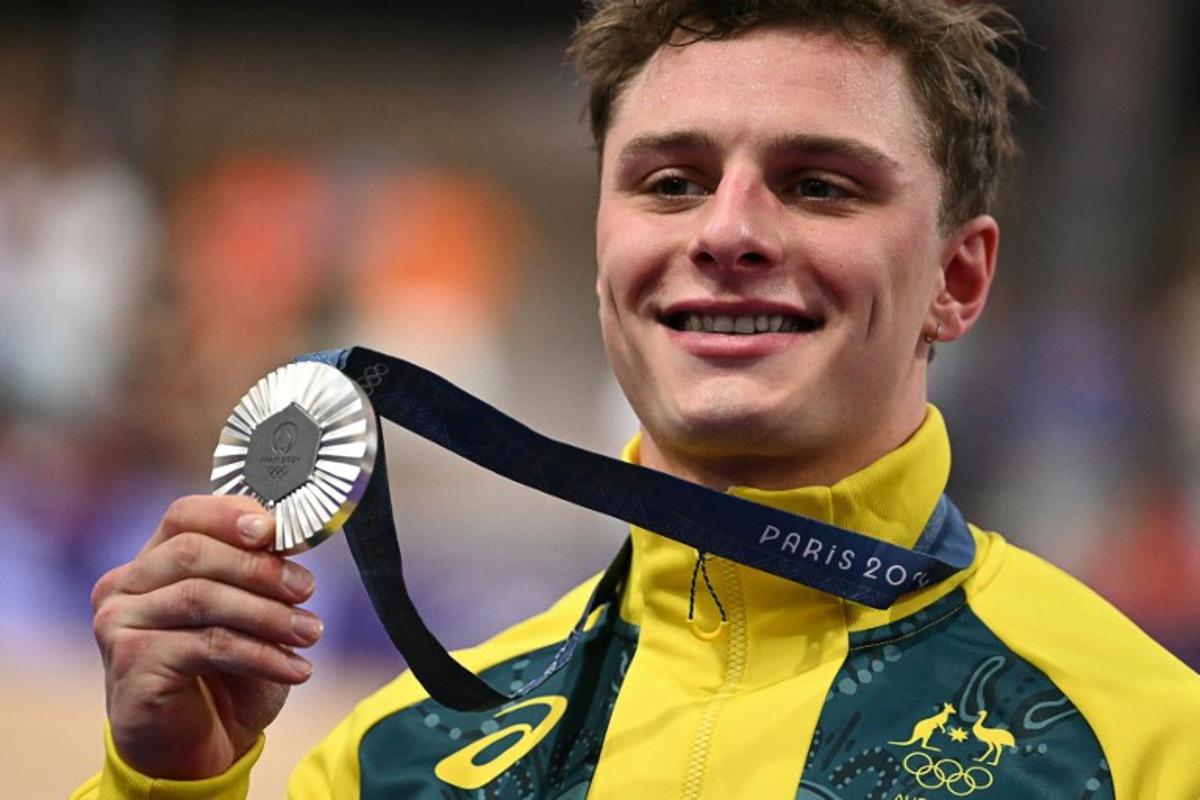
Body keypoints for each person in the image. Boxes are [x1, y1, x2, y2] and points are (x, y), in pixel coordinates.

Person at [73, 1, 1200, 798]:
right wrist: (163, 787)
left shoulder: (1146, 741)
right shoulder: (394, 761)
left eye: (819, 184)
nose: (727, 231)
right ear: (607, 253)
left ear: (957, 279)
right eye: (672, 182)